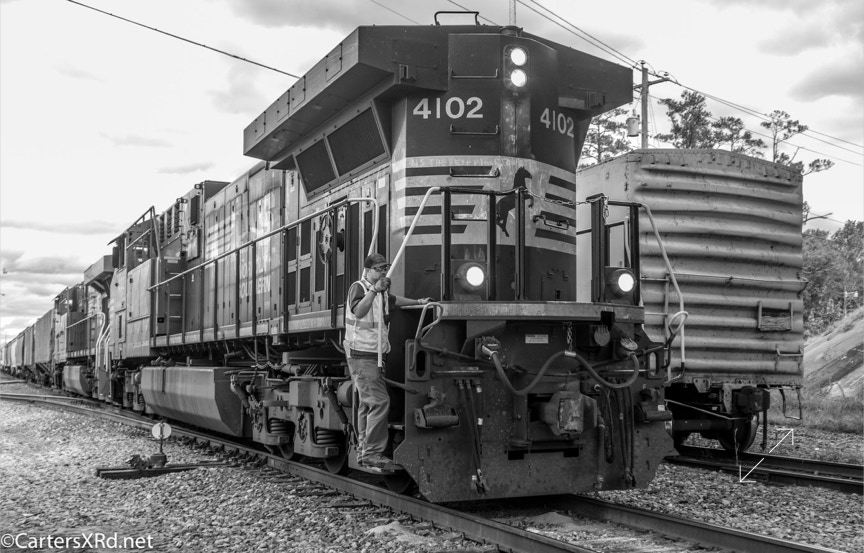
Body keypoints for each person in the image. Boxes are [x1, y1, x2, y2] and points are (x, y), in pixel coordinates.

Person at [344, 253, 432, 469]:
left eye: (385, 268)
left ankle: (364, 451)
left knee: (367, 404)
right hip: (362, 355)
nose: (384, 272)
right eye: (379, 268)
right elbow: (359, 311)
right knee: (380, 402)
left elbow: (394, 301)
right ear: (368, 270)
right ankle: (372, 453)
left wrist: (419, 302)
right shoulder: (359, 288)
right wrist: (375, 290)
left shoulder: (381, 293)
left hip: (374, 356)